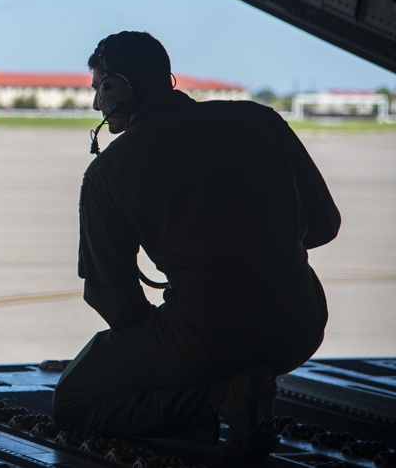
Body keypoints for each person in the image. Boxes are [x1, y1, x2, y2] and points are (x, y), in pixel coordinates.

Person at [53, 31, 339, 460]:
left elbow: (112, 299)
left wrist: (170, 348)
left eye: (99, 90)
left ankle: (218, 398)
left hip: (206, 333)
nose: (98, 105)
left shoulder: (110, 170)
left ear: (119, 88)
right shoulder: (261, 121)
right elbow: (325, 225)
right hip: (301, 324)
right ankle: (237, 382)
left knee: (71, 401)